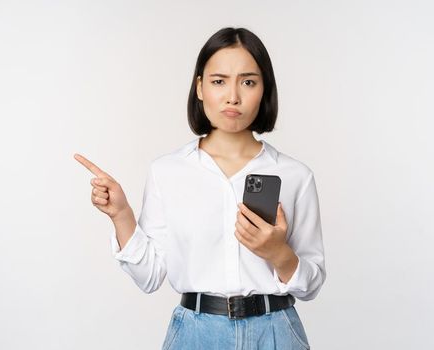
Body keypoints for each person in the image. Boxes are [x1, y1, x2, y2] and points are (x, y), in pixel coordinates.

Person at [74, 27, 325, 349]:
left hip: (275, 331)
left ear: (264, 90)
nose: (233, 96)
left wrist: (278, 253)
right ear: (200, 88)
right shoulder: (168, 170)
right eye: (219, 81)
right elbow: (150, 277)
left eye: (248, 82)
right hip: (195, 334)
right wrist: (121, 215)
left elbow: (311, 284)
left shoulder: (294, 175)